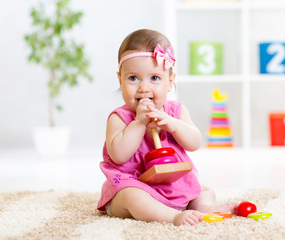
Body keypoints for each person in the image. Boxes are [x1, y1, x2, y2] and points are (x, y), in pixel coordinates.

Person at [97, 29, 238, 226]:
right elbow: (119, 155)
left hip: (173, 185)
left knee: (202, 190)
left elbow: (195, 142)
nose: (144, 87)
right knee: (131, 196)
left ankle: (203, 207)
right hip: (134, 186)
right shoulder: (119, 118)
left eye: (154, 78)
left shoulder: (176, 111)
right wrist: (138, 123)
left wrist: (173, 125)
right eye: (133, 78)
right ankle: (172, 216)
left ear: (170, 82)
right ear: (120, 79)